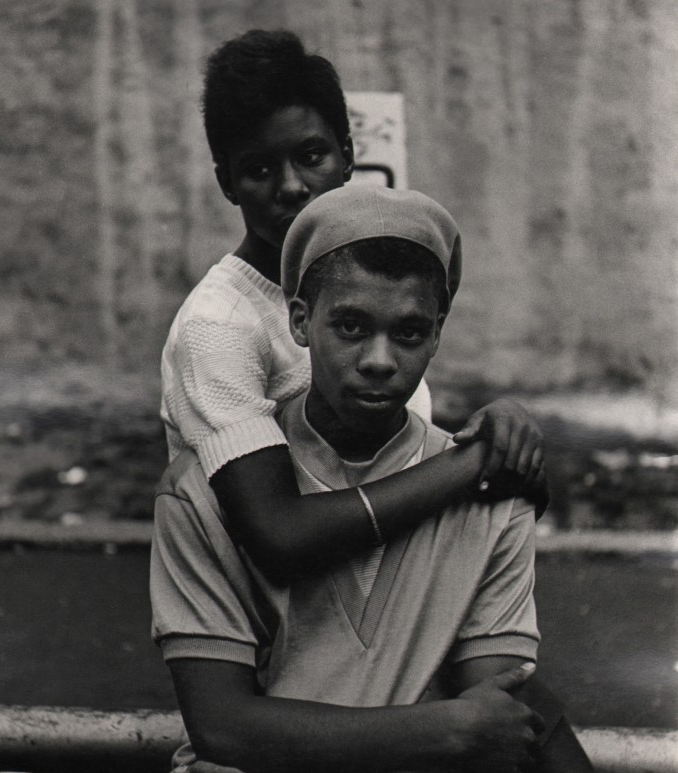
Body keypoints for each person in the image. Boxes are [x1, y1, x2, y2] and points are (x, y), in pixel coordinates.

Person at [152, 186, 631, 773]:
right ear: (300, 322)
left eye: (408, 332)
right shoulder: (205, 493)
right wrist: (446, 728)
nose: (379, 360)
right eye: (350, 326)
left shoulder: (493, 500)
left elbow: (494, 755)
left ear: (437, 333)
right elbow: (226, 729)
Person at [160, 29, 548, 584]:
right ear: (227, 182)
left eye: (311, 156)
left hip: (385, 586)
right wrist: (473, 462)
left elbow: (397, 460)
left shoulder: (372, 283)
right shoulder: (218, 325)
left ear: (347, 155)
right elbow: (279, 536)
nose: (291, 187)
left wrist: (499, 429)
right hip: (262, 615)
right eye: (259, 169)